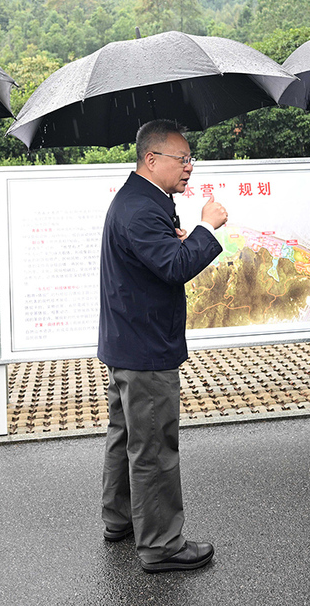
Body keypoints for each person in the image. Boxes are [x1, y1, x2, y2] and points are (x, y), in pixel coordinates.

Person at [98, 119, 227, 573]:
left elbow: (155, 259)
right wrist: (207, 229)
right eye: (182, 159)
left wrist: (180, 238)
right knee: (153, 444)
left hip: (129, 341)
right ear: (152, 160)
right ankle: (161, 544)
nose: (189, 167)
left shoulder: (141, 200)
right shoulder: (142, 208)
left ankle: (119, 519)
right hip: (146, 347)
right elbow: (174, 268)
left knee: (127, 435)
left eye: (190, 159)